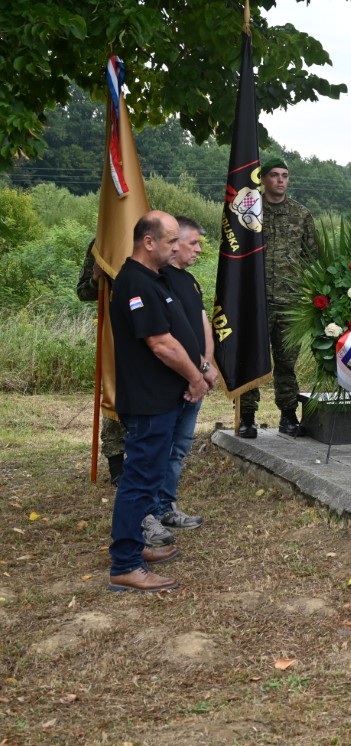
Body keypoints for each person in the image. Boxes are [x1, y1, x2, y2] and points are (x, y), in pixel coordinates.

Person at [107, 211, 209, 592]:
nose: (176, 247)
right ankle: (125, 564)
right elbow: (162, 345)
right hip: (148, 401)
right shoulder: (136, 282)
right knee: (139, 480)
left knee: (147, 478)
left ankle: (134, 547)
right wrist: (195, 377)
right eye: (170, 241)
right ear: (148, 242)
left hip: (161, 399)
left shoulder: (155, 278)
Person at [139, 216, 215, 547]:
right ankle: (147, 514)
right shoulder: (160, 280)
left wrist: (207, 364)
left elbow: (202, 322)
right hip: (174, 380)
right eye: (192, 243)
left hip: (196, 377)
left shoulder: (190, 281)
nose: (198, 249)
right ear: (174, 243)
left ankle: (166, 506)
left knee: (180, 447)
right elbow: (168, 335)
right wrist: (195, 370)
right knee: (159, 448)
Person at [238, 159, 317, 438]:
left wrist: (301, 286)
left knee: (286, 363)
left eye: (285, 175)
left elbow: (312, 257)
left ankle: (287, 415)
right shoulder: (249, 212)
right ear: (263, 179)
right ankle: (247, 416)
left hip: (289, 302)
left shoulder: (301, 214)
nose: (281, 180)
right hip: (255, 301)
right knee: (251, 360)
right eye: (274, 175)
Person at [76, 240, 126, 485]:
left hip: (149, 327)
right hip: (114, 332)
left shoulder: (155, 234)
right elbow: (83, 292)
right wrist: (96, 278)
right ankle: (117, 466)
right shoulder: (102, 242)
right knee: (114, 395)